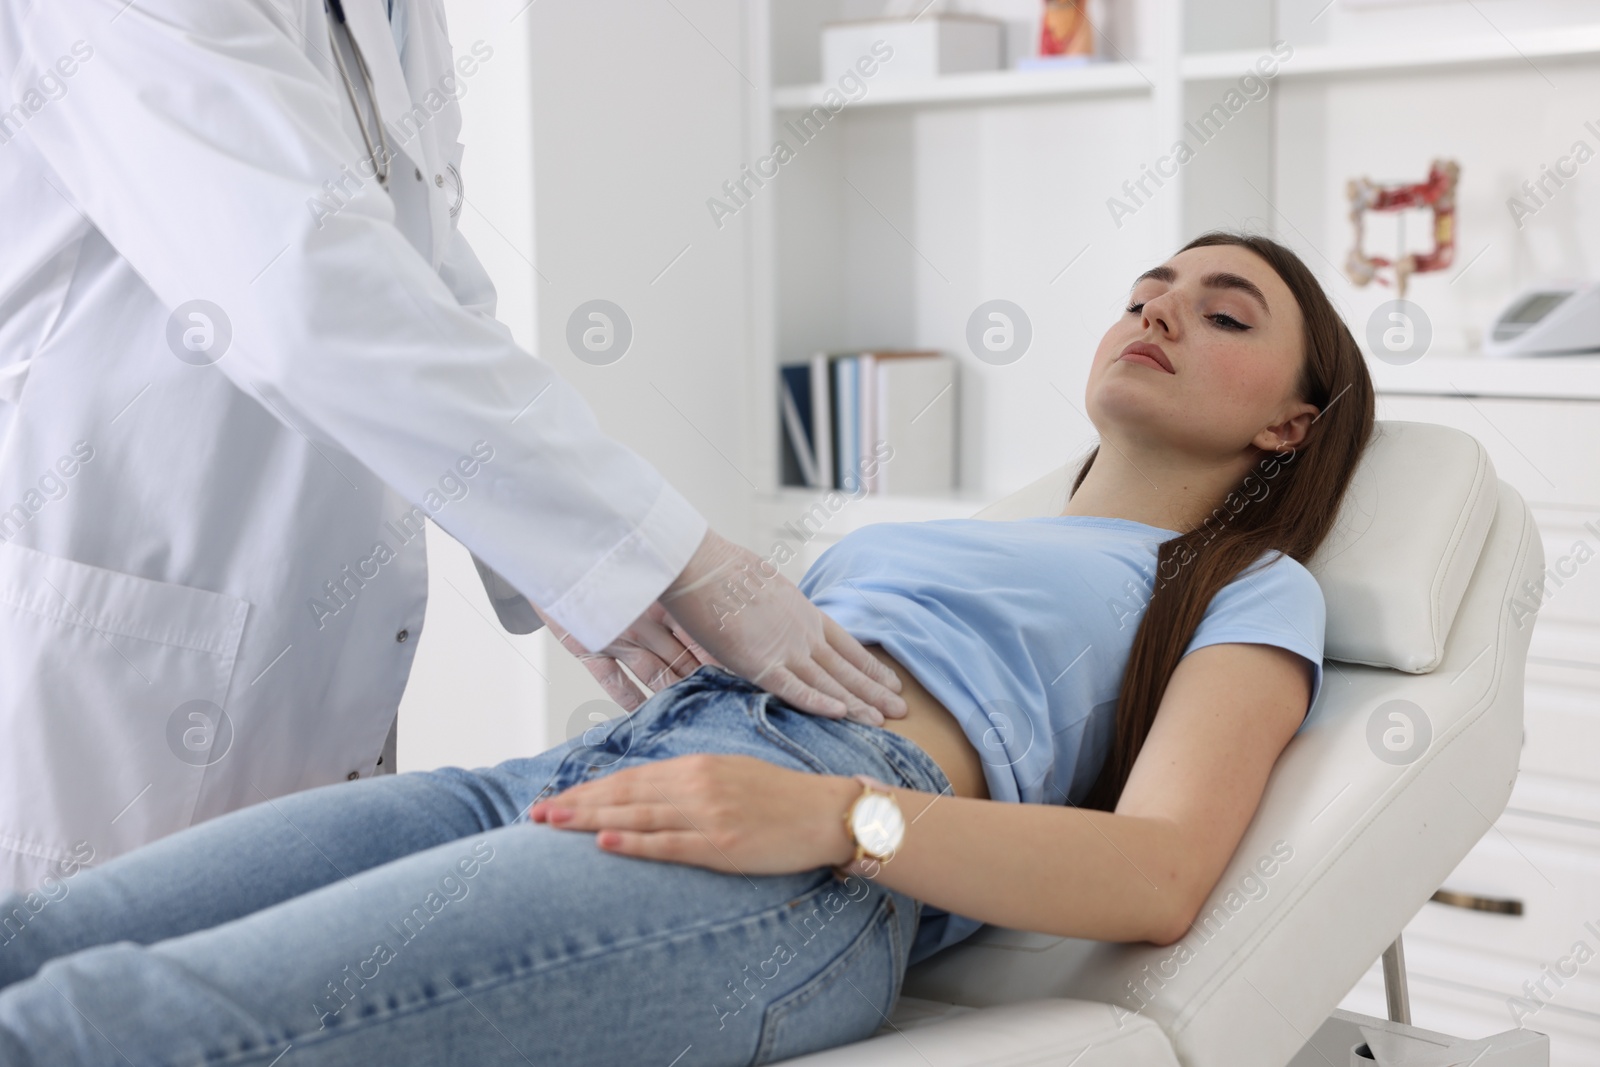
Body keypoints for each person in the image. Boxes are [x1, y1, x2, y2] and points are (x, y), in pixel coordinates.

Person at [0, 232, 1377, 1065]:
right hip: (602, 763)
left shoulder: (1248, 585)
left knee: (115, 1026)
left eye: (1225, 311)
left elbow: (1160, 872)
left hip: (780, 858)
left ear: (1290, 428)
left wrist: (839, 813)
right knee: (39, 943)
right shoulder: (963, 531)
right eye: (1150, 285)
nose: (1160, 309)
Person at [0, 0, 905, 892]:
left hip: (304, 650)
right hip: (111, 630)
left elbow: (423, 276)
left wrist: (567, 566)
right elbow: (304, 298)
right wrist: (672, 553)